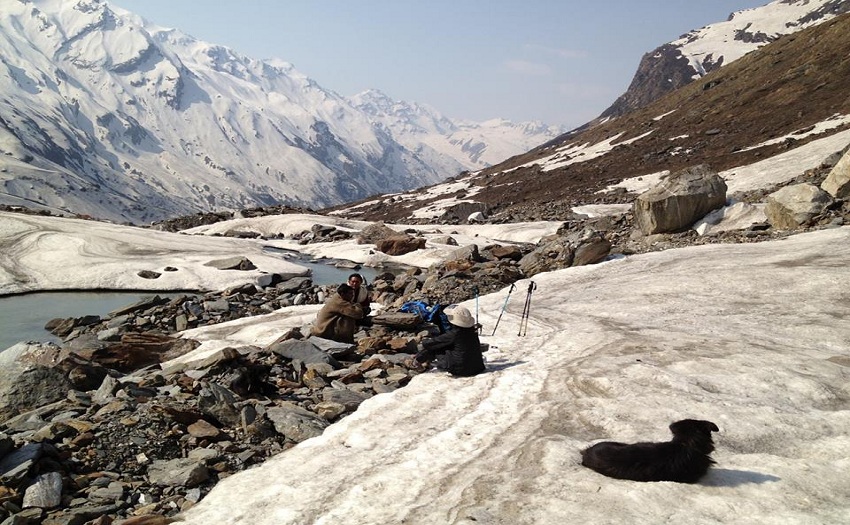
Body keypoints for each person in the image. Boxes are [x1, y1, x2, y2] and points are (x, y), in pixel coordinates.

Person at [407, 304, 485, 377]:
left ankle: (416, 363)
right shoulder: (472, 331)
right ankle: (420, 359)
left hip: (461, 370)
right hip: (477, 367)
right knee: (443, 345)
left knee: (435, 347)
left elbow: (432, 343)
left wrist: (423, 341)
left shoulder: (454, 334)